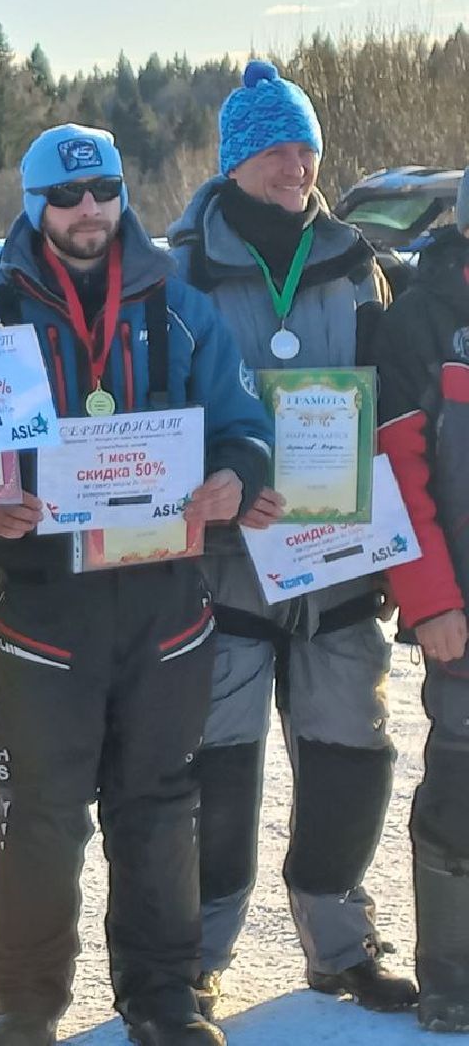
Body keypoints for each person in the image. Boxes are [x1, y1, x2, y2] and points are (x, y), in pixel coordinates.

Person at [0, 123, 271, 1046]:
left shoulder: (178, 304)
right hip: (45, 608)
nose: (88, 211)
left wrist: (234, 478)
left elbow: (241, 419)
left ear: (123, 195)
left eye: (104, 192)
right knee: (38, 815)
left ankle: (163, 997)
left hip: (165, 600)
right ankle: (24, 1002)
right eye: (67, 195)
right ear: (35, 205)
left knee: (162, 801)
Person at [166, 60, 417, 1017]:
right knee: (219, 767)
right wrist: (219, 485)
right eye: (276, 148)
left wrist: (400, 547)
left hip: (340, 561)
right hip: (225, 565)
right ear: (235, 160)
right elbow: (158, 414)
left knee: (352, 753)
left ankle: (339, 942)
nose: (296, 165)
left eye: (307, 147)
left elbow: (394, 412)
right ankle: (197, 952)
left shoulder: (360, 264)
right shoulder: (181, 269)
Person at [374, 171, 469, 1032]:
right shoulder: (421, 320)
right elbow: (401, 479)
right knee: (460, 798)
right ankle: (452, 979)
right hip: (462, 612)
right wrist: (431, 601)